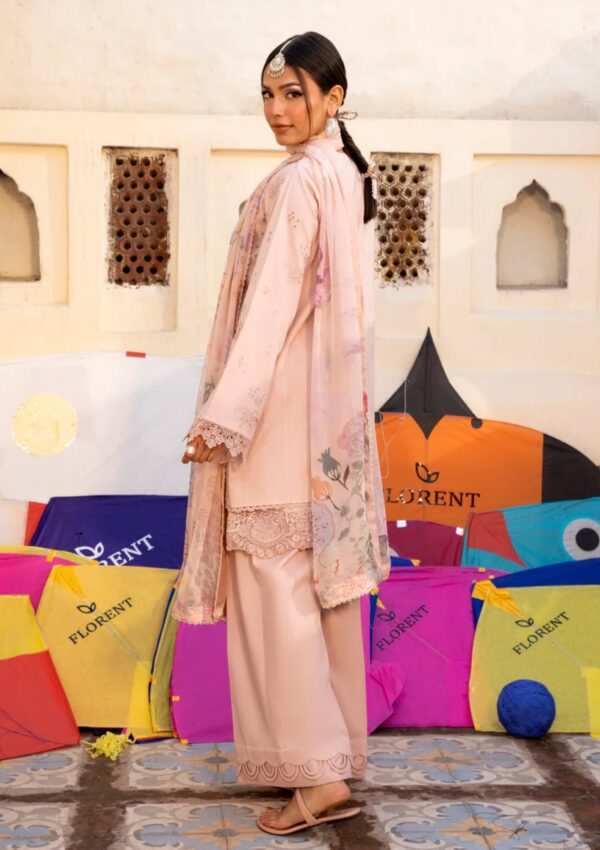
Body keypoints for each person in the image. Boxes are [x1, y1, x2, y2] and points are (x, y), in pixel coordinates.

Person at [171, 31, 390, 836]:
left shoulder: (301, 181)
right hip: (325, 421)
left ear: (334, 98)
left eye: (294, 92)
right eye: (268, 93)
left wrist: (224, 417)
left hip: (276, 416)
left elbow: (268, 309)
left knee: (276, 596)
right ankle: (330, 756)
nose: (276, 109)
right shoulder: (347, 173)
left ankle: (316, 777)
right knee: (318, 596)